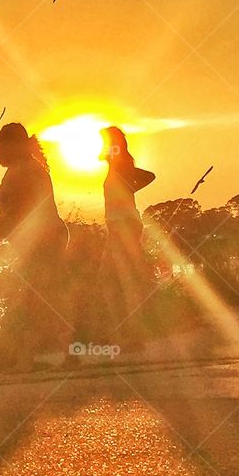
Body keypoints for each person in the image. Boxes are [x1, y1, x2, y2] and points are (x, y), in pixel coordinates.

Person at [0, 123, 69, 369]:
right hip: (34, 242)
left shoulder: (29, 170)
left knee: (39, 297)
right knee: (38, 297)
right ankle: (40, 353)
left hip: (45, 240)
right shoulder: (20, 168)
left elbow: (35, 207)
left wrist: (5, 222)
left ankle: (40, 354)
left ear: (12, 147)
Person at [97, 126, 156, 346]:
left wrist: (130, 188)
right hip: (121, 225)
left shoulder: (121, 164)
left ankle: (130, 334)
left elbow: (149, 176)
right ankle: (127, 333)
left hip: (123, 225)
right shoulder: (117, 165)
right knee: (118, 278)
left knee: (116, 278)